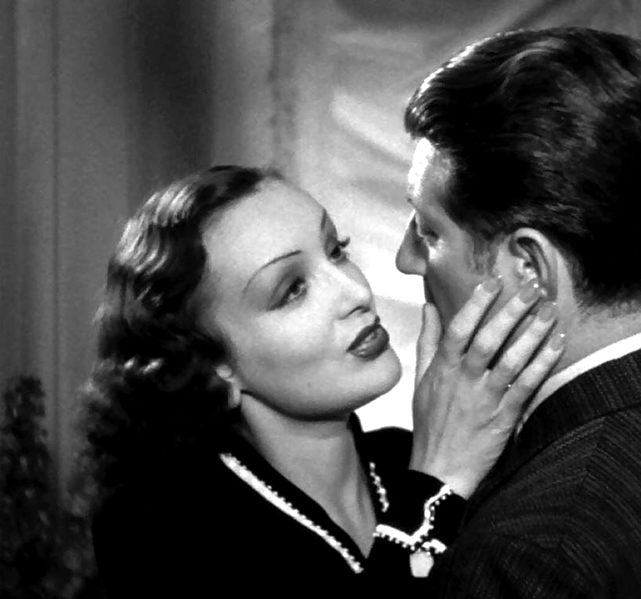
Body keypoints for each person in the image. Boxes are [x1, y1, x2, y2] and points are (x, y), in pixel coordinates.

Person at [392, 26, 641, 597]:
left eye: (428, 231)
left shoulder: (526, 553)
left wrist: (430, 490)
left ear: (529, 267)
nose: (406, 259)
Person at [84, 165, 564, 598]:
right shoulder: (161, 526)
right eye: (292, 289)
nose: (355, 292)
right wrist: (437, 485)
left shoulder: (405, 460)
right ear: (211, 362)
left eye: (336, 252)